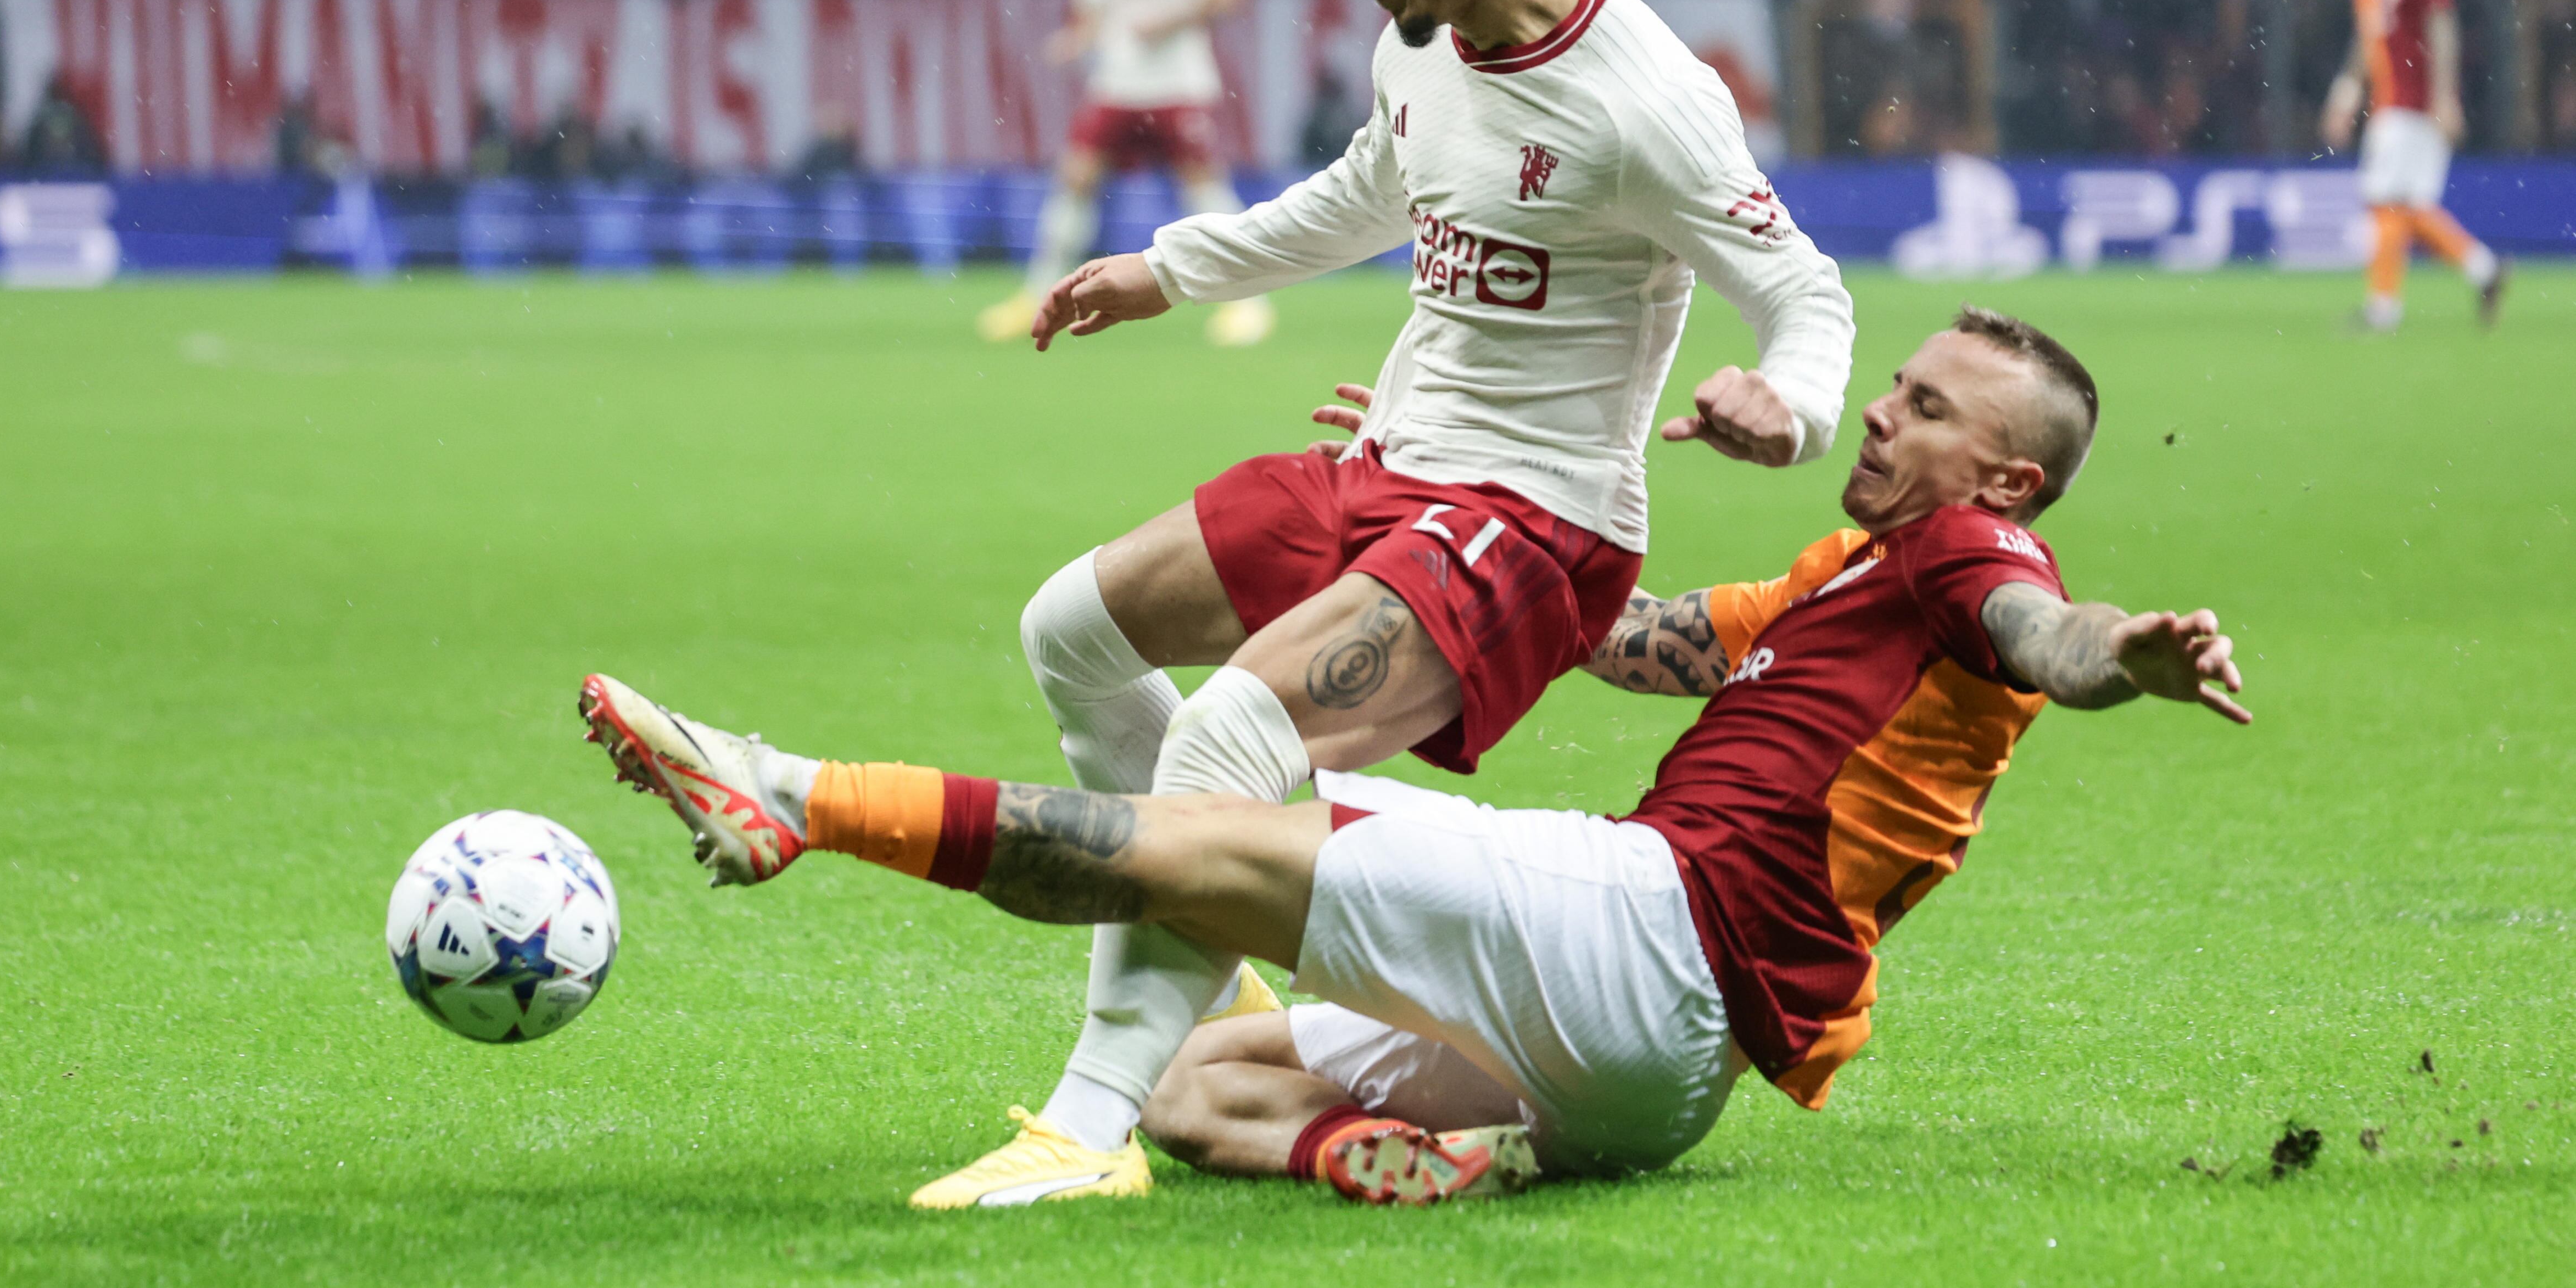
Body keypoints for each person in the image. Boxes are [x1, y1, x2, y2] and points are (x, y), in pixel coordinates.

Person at [718, 0, 1856, 1206]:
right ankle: (1220, 985)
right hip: (1389, 463)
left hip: (1532, 525)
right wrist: (1162, 270)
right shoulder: (1421, 49)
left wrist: (1793, 400)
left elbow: (1805, 291)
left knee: (1225, 749)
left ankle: (1086, 1128)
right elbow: (1362, 197)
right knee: (1070, 626)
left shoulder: (1644, 97)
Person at [576, 307, 2247, 1206]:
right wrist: (1447, 464)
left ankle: (784, 794)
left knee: (1194, 834)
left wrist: (2130, 656)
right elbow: (1611, 630)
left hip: (1642, 928)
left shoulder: (1980, 568)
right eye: (1890, 387)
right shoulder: (1845, 579)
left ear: (2008, 481)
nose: (1881, 415)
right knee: (1192, 1085)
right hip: (1651, 1081)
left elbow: (2054, 640)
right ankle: (1440, 1157)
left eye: (1929, 406)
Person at [976, 0, 1272, 347]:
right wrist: (1075, 40)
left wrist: (1170, 20)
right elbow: (1093, 15)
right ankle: (1037, 293)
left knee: (1202, 190)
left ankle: (1247, 304)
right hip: (1116, 86)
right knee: (1075, 179)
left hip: (1178, 86)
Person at [2318, 0, 2507, 331]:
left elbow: (2442, 27)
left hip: (2415, 101)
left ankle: (2384, 309)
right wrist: (2346, 91)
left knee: (2386, 200)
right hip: (2387, 100)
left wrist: (2445, 97)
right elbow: (2368, 35)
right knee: (2408, 206)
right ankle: (2484, 269)